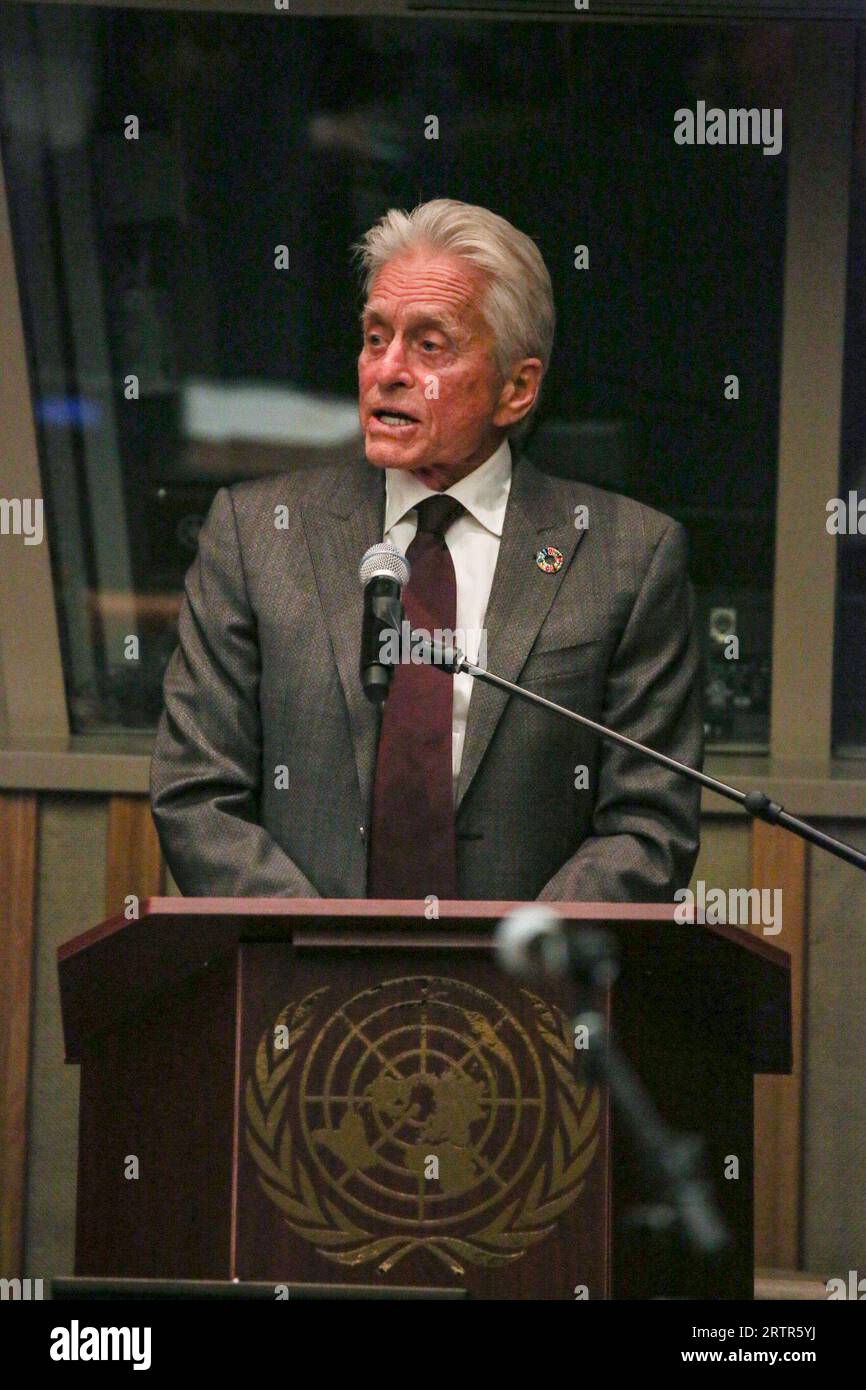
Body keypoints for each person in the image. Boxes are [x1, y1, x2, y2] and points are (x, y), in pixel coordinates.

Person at [150, 198, 703, 901]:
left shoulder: (629, 557)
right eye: (375, 337)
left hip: (522, 996)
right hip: (303, 982)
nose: (388, 370)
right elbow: (197, 793)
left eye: (429, 345)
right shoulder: (256, 535)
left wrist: (509, 967)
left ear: (517, 388)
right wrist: (328, 953)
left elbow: (649, 823)